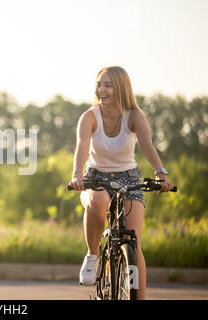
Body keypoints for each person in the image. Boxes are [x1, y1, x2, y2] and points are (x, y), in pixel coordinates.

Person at [68, 66, 174, 300]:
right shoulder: (89, 116)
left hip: (129, 178)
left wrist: (160, 173)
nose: (101, 90)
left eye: (107, 85)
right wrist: (77, 174)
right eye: (98, 84)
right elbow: (82, 146)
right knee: (97, 200)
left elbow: (147, 144)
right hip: (95, 176)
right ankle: (92, 255)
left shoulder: (134, 116)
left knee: (134, 243)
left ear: (121, 88)